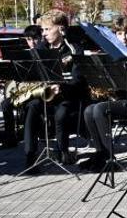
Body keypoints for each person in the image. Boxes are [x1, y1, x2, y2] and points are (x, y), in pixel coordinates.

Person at [20, 10, 86, 169]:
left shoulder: (74, 49)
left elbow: (77, 80)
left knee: (61, 113)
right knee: (31, 107)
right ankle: (30, 155)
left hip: (68, 96)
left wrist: (61, 87)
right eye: (42, 30)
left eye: (48, 29)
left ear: (61, 29)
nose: (43, 34)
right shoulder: (41, 48)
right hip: (46, 95)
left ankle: (62, 151)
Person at [80, 17, 127, 171]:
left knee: (99, 109)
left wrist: (118, 76)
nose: (123, 38)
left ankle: (111, 158)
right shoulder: (112, 53)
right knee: (89, 110)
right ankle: (100, 153)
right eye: (119, 34)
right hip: (121, 100)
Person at [1, 24, 43, 148]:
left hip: (40, 91)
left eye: (35, 38)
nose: (32, 42)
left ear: (41, 38)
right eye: (29, 39)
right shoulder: (25, 54)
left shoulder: (45, 53)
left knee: (30, 107)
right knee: (5, 104)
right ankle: (11, 138)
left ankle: (31, 140)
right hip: (26, 90)